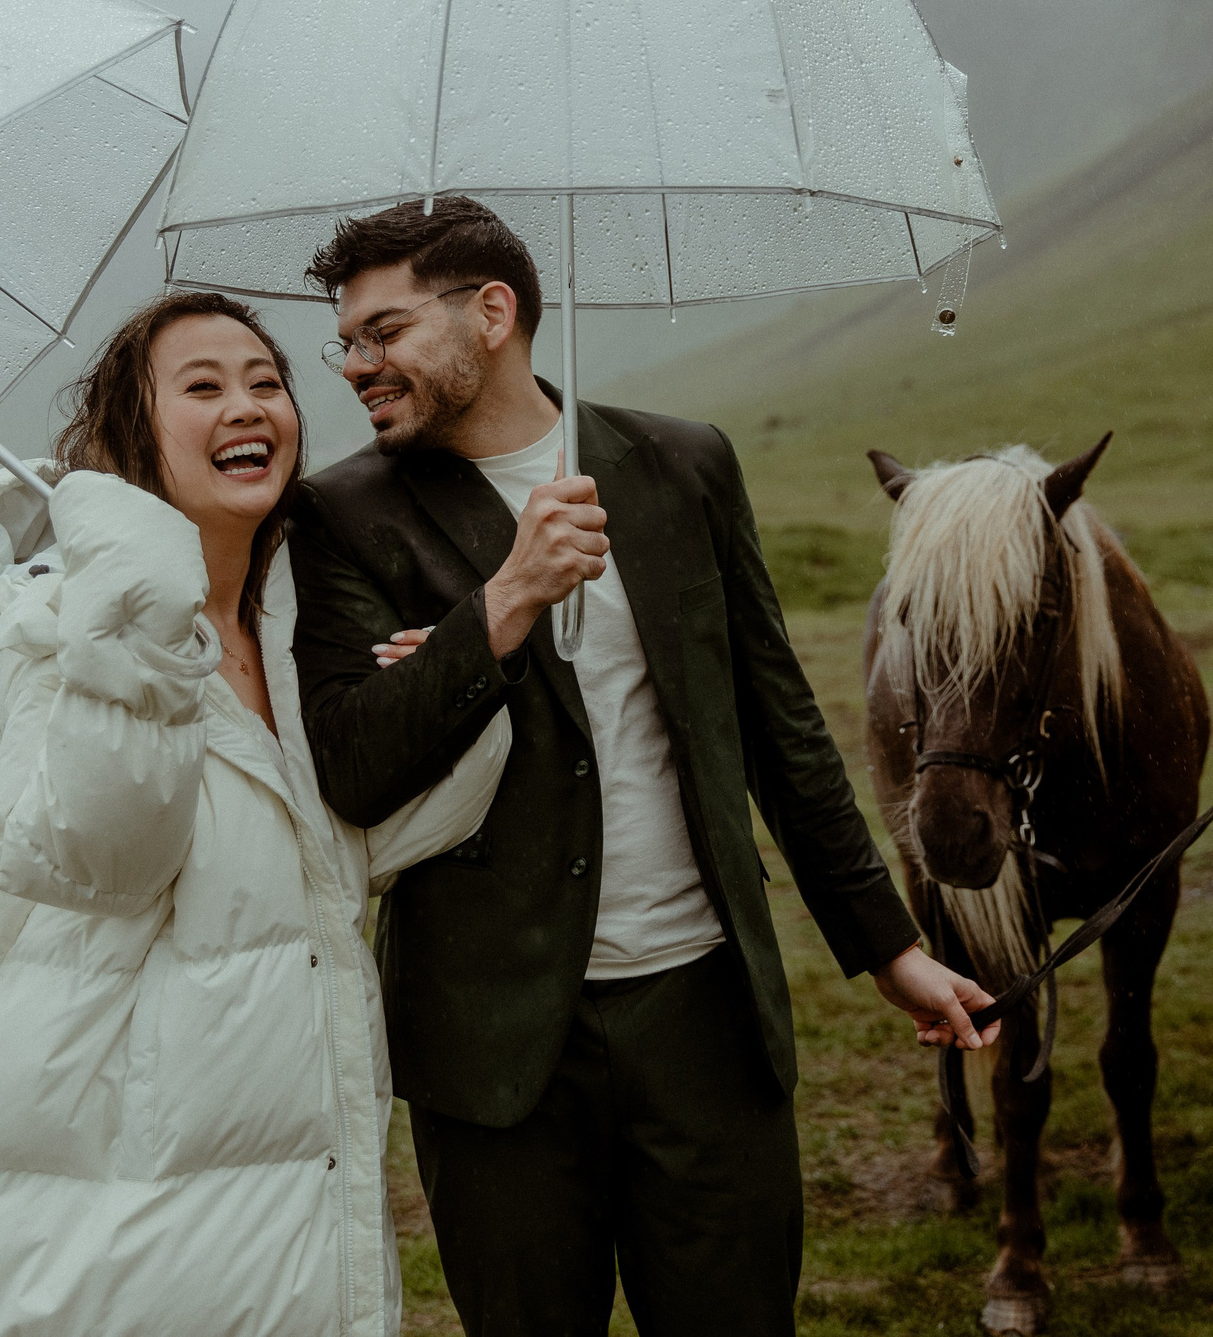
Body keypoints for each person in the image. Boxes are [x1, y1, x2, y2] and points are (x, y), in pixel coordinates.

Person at [288, 197, 1000, 1337]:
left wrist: (888, 948)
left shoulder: (682, 463)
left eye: (382, 333)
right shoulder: (338, 513)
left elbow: (776, 724)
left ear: (492, 311)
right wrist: (505, 603)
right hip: (495, 1046)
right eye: (347, 343)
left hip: (705, 1018)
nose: (357, 367)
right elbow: (353, 767)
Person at [0, 291, 506, 1337]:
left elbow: (362, 849)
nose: (247, 407)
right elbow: (102, 860)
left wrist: (448, 696)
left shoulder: (302, 622)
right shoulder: (59, 628)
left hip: (281, 1148)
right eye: (201, 388)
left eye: (265, 382)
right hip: (118, 1162)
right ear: (134, 439)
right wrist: (136, 633)